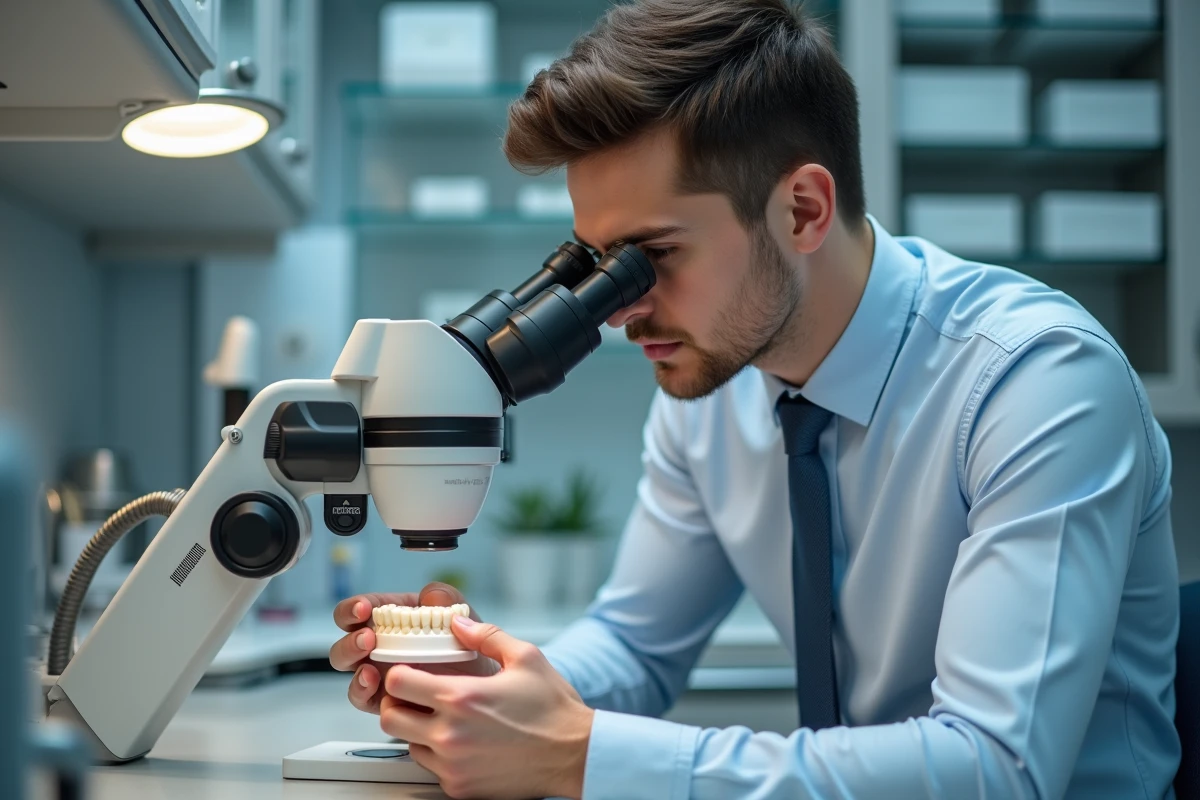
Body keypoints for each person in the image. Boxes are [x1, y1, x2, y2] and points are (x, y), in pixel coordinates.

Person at [328, 1, 1182, 797]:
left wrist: (583, 752)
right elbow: (634, 646)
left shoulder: (1037, 383)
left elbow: (996, 767)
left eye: (651, 256)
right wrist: (491, 680)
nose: (618, 309)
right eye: (592, 265)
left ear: (803, 209)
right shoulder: (713, 390)